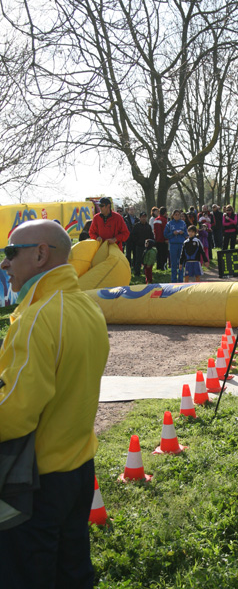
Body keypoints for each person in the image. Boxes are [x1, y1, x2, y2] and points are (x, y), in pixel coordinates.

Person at [0, 219, 109, 588]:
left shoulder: (37, 317)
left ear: (41, 254)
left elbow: (15, 413)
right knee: (74, 568)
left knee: (30, 573)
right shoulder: (87, 306)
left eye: (10, 253)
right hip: (79, 469)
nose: (5, 264)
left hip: (37, 481)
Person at [164, 209, 188, 282]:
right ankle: (173, 280)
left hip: (181, 244)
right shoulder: (169, 224)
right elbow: (165, 234)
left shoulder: (183, 223)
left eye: (178, 215)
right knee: (174, 263)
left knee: (181, 262)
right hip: (173, 245)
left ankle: (180, 280)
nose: (177, 216)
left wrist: (182, 232)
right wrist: (172, 233)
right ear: (173, 215)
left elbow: (187, 235)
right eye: (175, 215)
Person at [131, 212, 154, 276]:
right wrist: (137, 242)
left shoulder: (148, 226)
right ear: (140, 218)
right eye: (142, 217)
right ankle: (137, 272)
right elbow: (133, 235)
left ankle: (146, 272)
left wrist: (151, 242)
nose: (144, 218)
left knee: (146, 260)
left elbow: (151, 235)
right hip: (139, 246)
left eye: (145, 217)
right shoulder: (136, 226)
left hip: (147, 246)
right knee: (138, 259)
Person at [153, 206, 169, 270]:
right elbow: (165, 231)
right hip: (163, 240)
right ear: (165, 212)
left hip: (157, 240)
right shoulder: (164, 220)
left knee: (159, 254)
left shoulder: (156, 219)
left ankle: (158, 266)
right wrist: (166, 239)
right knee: (164, 254)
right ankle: (163, 267)